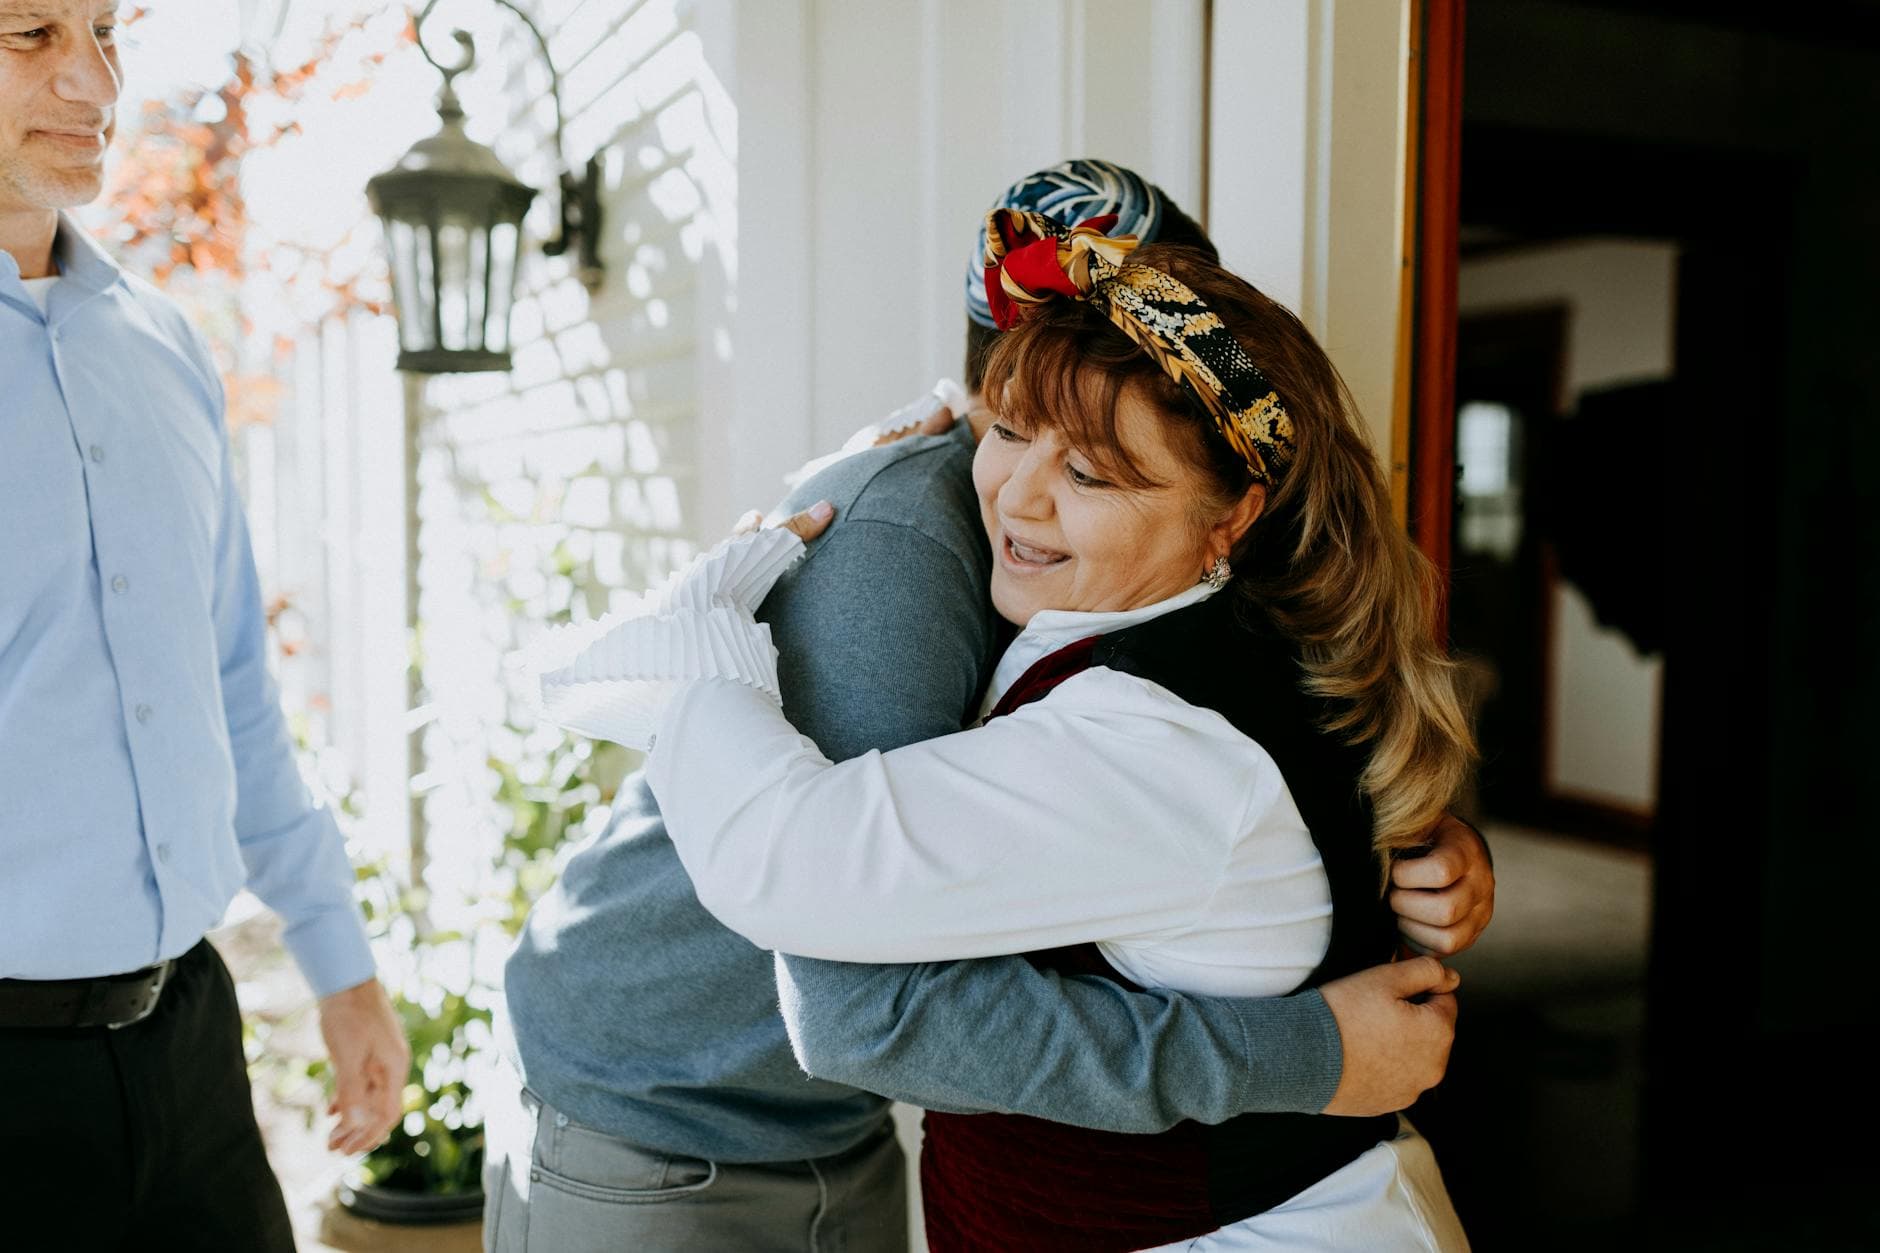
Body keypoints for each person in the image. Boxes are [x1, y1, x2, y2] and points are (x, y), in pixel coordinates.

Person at [504, 164, 1488, 1251]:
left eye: (1095, 464)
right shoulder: (915, 553)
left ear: (1229, 500)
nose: (1020, 491)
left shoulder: (1183, 640)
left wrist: (1411, 859)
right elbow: (850, 985)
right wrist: (1303, 1050)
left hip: (841, 1130)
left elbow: (1198, 795)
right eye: (1013, 427)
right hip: (658, 1106)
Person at [0, 5, 407, 1247]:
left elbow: (229, 684)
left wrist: (338, 958)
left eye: (109, 30)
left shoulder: (165, 346)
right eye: (32, 33)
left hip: (189, 1043)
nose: (93, 77)